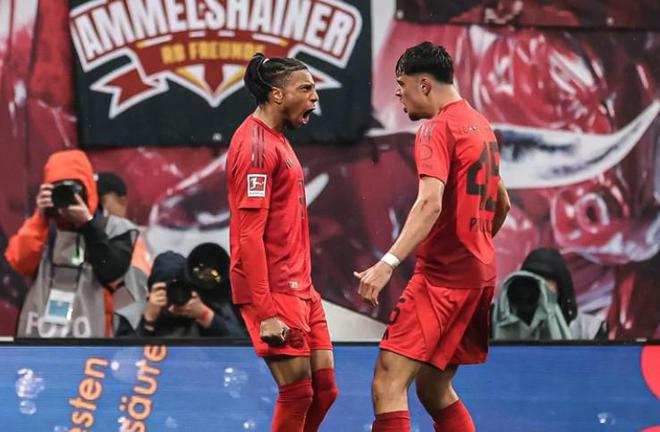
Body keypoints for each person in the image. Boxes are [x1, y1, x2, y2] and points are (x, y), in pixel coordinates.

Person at [355, 42, 510, 432]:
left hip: (443, 279)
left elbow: (429, 203)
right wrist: (474, 243)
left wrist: (387, 264)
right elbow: (503, 203)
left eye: (401, 83)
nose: (398, 93)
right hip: (478, 275)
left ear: (424, 84)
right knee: (434, 386)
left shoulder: (436, 128)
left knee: (387, 381)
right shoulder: (481, 124)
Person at [226, 53, 338, 431]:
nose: (314, 97)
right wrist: (267, 312)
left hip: (300, 286)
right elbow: (249, 235)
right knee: (298, 393)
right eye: (305, 89)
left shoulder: (277, 139)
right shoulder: (255, 148)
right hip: (274, 289)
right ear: (277, 95)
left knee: (325, 391)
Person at [4, 150, 148, 337]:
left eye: (73, 191)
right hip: (40, 336)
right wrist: (39, 217)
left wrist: (87, 224)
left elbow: (113, 272)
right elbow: (19, 262)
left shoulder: (116, 228)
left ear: (89, 190)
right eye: (58, 190)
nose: (67, 198)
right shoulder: (42, 228)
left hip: (93, 338)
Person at [117, 251, 246, 338]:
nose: (174, 297)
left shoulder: (205, 308)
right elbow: (122, 363)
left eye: (181, 289)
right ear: (152, 292)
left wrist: (205, 316)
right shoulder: (133, 316)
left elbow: (245, 351)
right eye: (167, 290)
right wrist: (148, 321)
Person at [493, 247, 606, 340]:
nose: (540, 286)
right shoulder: (496, 323)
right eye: (533, 280)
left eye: (546, 280)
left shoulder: (589, 329)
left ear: (562, 286)